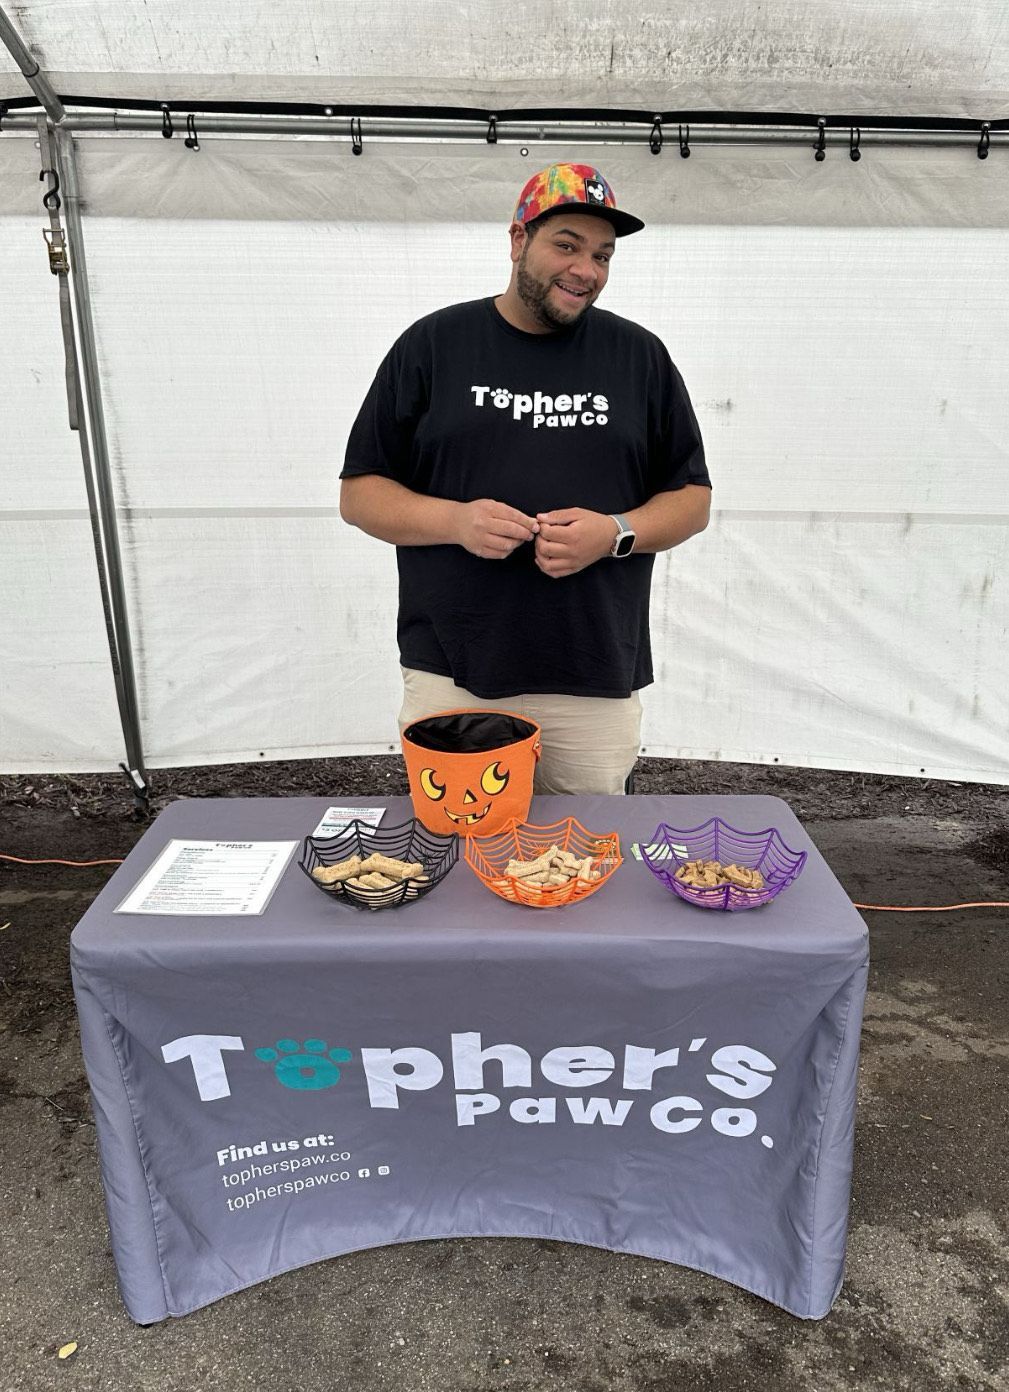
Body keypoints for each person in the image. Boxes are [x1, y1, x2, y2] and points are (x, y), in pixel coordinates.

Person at [340, 162, 711, 794]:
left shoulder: (639, 357)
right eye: (565, 244)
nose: (585, 270)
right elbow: (360, 494)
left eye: (602, 255)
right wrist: (455, 520)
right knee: (456, 854)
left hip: (592, 671)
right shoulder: (434, 345)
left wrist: (615, 532)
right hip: (454, 670)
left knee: (584, 863)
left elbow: (692, 499)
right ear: (518, 242)